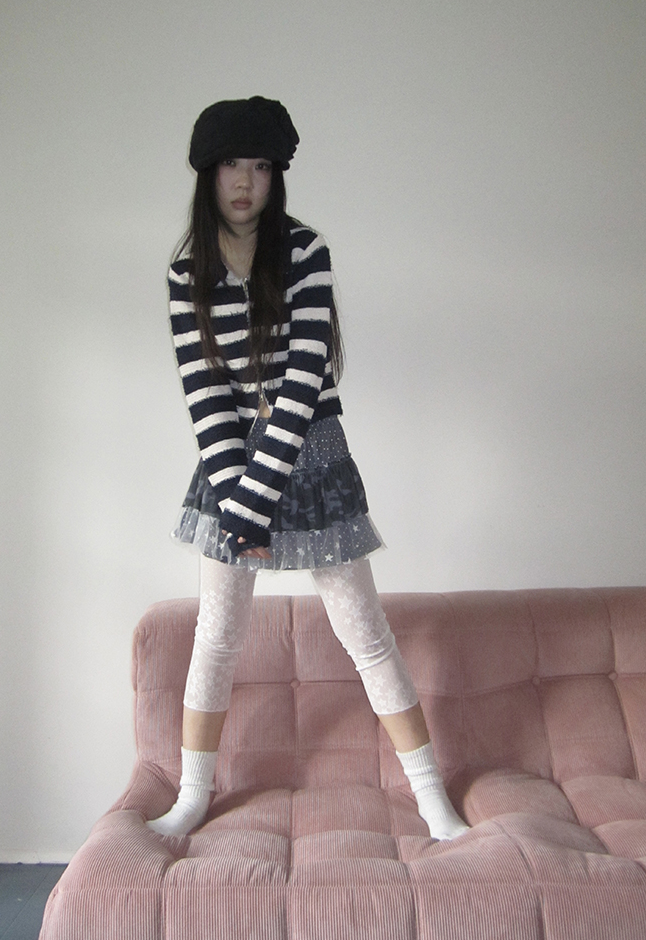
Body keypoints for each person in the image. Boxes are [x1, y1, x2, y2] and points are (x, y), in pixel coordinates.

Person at [148, 96, 468, 840]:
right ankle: (192, 795)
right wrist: (238, 503)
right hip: (230, 470)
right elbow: (205, 397)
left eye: (261, 166)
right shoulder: (186, 273)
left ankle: (431, 799)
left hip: (312, 454)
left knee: (365, 633)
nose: (245, 181)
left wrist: (254, 503)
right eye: (233, 164)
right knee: (216, 635)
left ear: (277, 175)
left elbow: (300, 385)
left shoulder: (304, 252)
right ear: (208, 171)